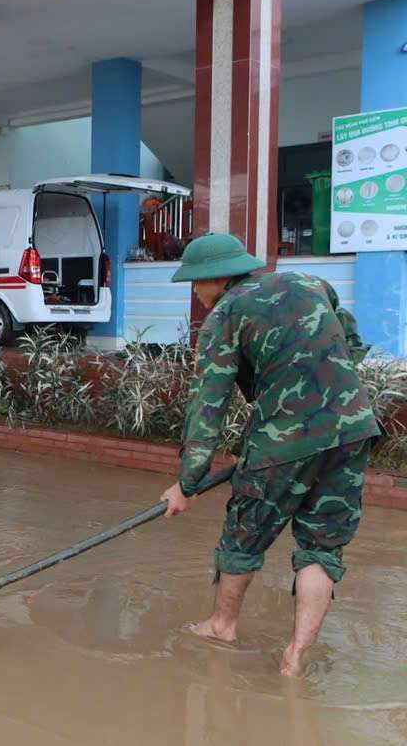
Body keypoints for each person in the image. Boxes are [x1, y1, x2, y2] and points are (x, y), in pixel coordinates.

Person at [159, 233, 379, 676]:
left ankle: (222, 625)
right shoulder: (311, 282)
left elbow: (208, 405)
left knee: (242, 537)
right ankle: (296, 652)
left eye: (196, 284)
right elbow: (352, 342)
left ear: (217, 278)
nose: (196, 294)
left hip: (284, 440)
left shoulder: (226, 314)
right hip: (353, 430)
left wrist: (188, 482)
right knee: (321, 547)